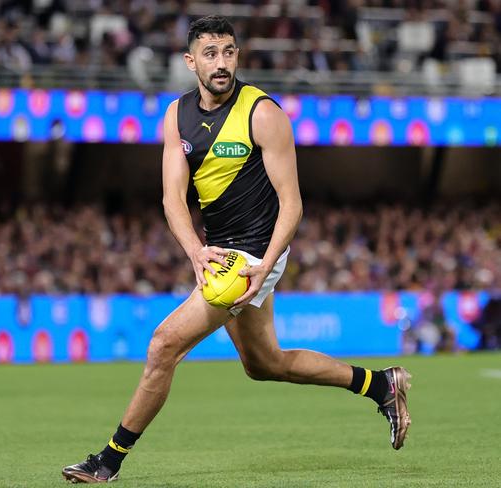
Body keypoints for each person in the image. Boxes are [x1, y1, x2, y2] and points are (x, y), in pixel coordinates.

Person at [62, 15, 411, 484]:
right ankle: (380, 385)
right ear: (191, 62)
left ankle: (108, 461)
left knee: (163, 346)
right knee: (265, 364)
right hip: (219, 251)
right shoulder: (177, 116)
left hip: (253, 253)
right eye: (210, 54)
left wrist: (265, 266)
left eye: (228, 52)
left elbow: (293, 205)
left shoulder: (262, 113)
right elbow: (172, 198)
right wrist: (194, 250)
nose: (221, 62)